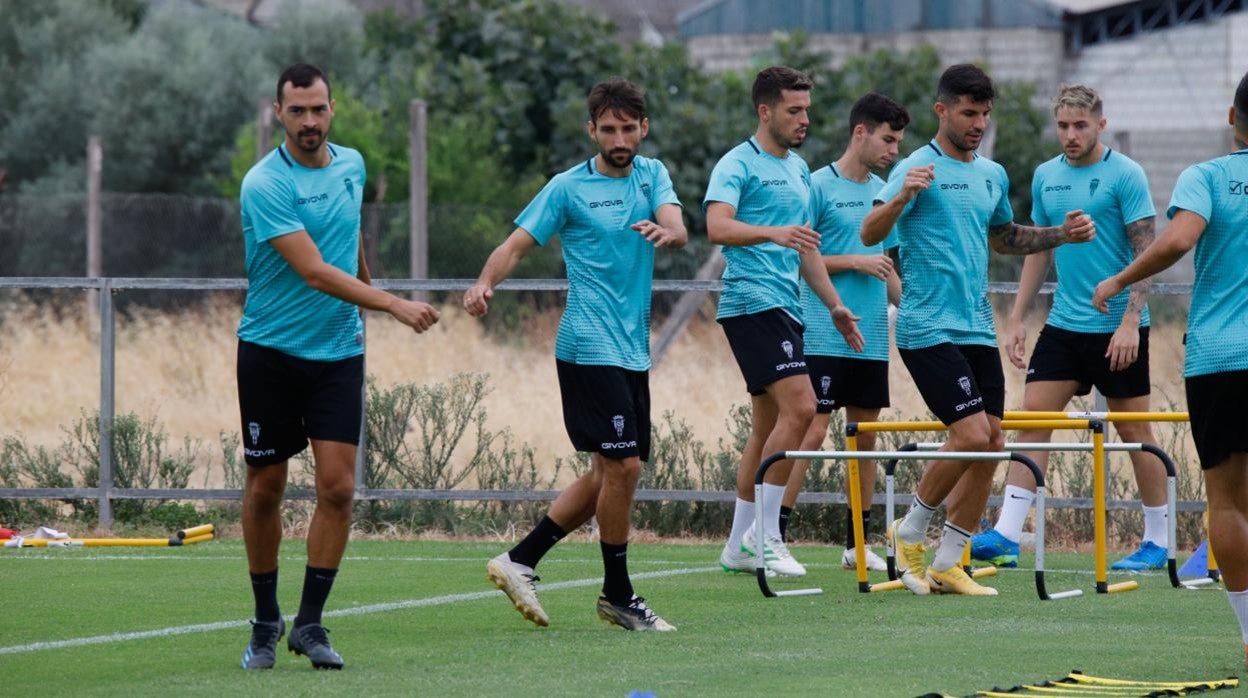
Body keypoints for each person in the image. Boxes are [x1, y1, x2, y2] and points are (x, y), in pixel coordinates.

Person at [860, 63, 1095, 596]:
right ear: (942, 110)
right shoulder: (916, 166)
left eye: (985, 114)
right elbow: (869, 231)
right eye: (968, 113)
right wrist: (900, 197)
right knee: (968, 434)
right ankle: (911, 528)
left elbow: (1004, 236)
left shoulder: (990, 174)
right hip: (925, 325)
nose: (978, 123)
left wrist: (1062, 235)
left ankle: (947, 561)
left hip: (975, 326)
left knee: (990, 443)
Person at [238, 63, 440, 670]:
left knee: (338, 487)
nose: (308, 122)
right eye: (296, 111)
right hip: (270, 353)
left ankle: (310, 624)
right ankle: (265, 619)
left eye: (318, 110)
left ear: (332, 109)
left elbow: (347, 245)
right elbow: (314, 271)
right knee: (267, 486)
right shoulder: (264, 183)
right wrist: (393, 304)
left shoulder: (351, 165)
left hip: (337, 355)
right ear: (279, 114)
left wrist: (370, 289)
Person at [467, 78, 685, 632]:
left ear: (643, 129)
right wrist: (484, 284)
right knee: (624, 465)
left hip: (631, 350)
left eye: (627, 128)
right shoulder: (567, 188)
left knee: (609, 474)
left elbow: (679, 227)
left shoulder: (652, 174)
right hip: (587, 345)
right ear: (592, 130)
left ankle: (520, 559)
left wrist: (668, 231)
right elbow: (515, 244)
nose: (618, 137)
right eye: (607, 128)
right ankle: (617, 593)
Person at [971, 85, 1167, 570]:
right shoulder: (1046, 176)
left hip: (1117, 327)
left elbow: (1148, 252)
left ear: (1100, 124)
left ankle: (1158, 540)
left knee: (1133, 429)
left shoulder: (1126, 174)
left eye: (1080, 126)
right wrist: (1017, 318)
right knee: (1034, 418)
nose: (1071, 135)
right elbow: (1040, 247)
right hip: (1063, 324)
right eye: (1063, 126)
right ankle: (1007, 535)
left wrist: (1129, 321)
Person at [1092, 70, 1248, 667]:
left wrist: (1121, 278)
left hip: (1220, 359)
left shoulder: (1206, 176)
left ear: (1230, 117)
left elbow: (1179, 240)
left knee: (1229, 502)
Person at [707, 65, 864, 579]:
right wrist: (770, 232)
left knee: (766, 428)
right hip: (751, 304)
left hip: (788, 306)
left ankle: (737, 545)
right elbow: (716, 226)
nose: (803, 120)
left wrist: (835, 304)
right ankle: (766, 536)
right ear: (765, 111)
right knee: (803, 407)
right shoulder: (738, 163)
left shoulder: (799, 169)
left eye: (807, 111)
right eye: (794, 110)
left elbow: (806, 248)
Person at [778, 93, 908, 573]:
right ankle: (773, 534)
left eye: (899, 142)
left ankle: (857, 542)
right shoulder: (816, 186)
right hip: (823, 332)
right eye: (888, 139)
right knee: (811, 429)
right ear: (861, 133)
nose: (895, 150)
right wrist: (854, 259)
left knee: (865, 437)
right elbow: (799, 256)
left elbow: (887, 269)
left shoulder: (881, 196)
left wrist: (910, 310)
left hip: (871, 335)